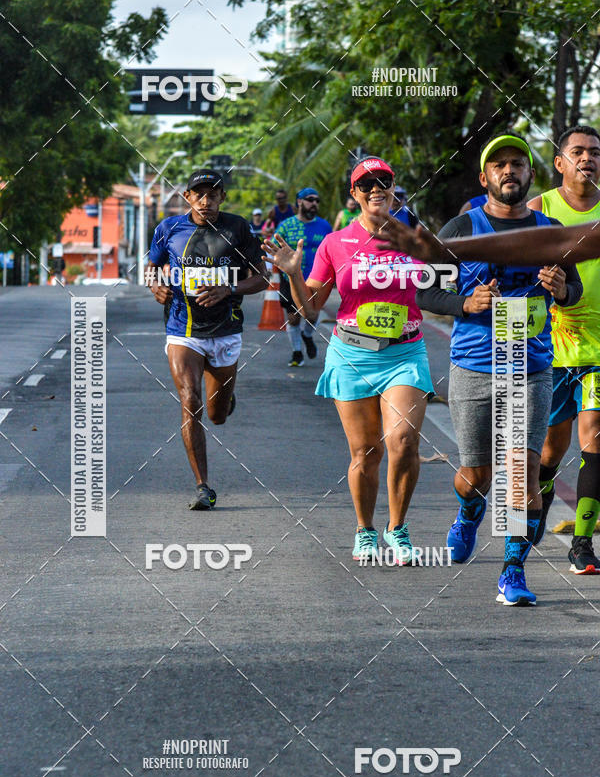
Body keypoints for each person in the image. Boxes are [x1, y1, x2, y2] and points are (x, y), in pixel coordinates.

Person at [379, 134, 582, 604]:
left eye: (517, 164)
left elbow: (574, 290)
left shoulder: (549, 228)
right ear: (484, 177)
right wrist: (464, 302)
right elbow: (421, 292)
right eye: (500, 165)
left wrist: (561, 291)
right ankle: (468, 512)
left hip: (529, 367)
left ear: (531, 175)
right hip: (473, 365)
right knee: (475, 474)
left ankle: (512, 571)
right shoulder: (462, 227)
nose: (509, 171)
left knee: (520, 472)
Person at [263, 157, 434, 563]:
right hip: (352, 355)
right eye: (366, 184)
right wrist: (291, 273)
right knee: (366, 454)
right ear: (354, 194)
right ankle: (365, 529)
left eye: (384, 182)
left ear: (393, 189)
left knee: (404, 441)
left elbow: (443, 284)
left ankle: (398, 527)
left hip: (405, 352)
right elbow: (310, 311)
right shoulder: (335, 243)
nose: (376, 189)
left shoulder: (414, 237)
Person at [146, 168, 268, 510]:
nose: (206, 200)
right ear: (187, 197)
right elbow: (153, 267)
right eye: (198, 194)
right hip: (183, 331)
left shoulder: (237, 228)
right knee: (190, 401)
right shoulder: (168, 229)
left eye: (212, 194)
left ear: (222, 198)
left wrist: (228, 289)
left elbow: (261, 278)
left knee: (217, 415)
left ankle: (225, 399)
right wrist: (155, 285)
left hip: (225, 331)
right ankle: (203, 487)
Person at [526, 125, 600, 573]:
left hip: (599, 349)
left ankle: (584, 542)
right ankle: (543, 488)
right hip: (547, 350)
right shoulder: (540, 209)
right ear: (560, 163)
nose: (587, 159)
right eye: (577, 152)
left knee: (595, 440)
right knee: (550, 452)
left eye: (594, 152)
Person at [277, 187, 332, 366]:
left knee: (313, 316)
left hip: (317, 279)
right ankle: (297, 352)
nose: (314, 203)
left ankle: (307, 335)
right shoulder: (286, 226)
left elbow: (332, 252)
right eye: (310, 199)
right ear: (299, 202)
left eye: (317, 200)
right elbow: (274, 247)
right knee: (293, 317)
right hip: (290, 279)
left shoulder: (325, 226)